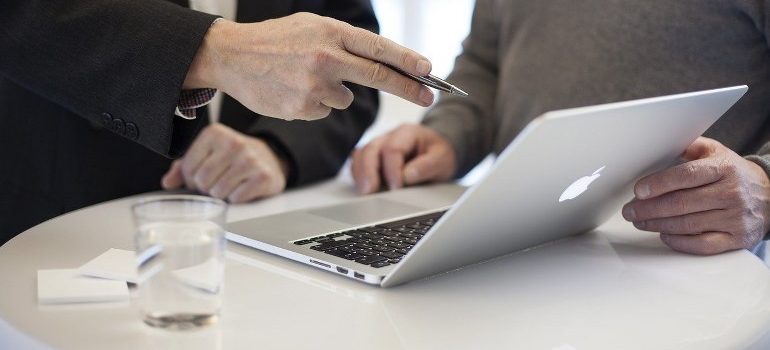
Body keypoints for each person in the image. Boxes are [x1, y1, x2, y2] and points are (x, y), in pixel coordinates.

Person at [351, 0, 770, 256]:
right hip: (515, 246)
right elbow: (486, 61)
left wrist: (764, 184)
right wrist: (447, 135)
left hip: (686, 266)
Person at [0, 0, 436, 241]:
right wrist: (212, 50)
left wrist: (279, 149)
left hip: (255, 237)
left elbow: (345, 54)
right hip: (59, 227)